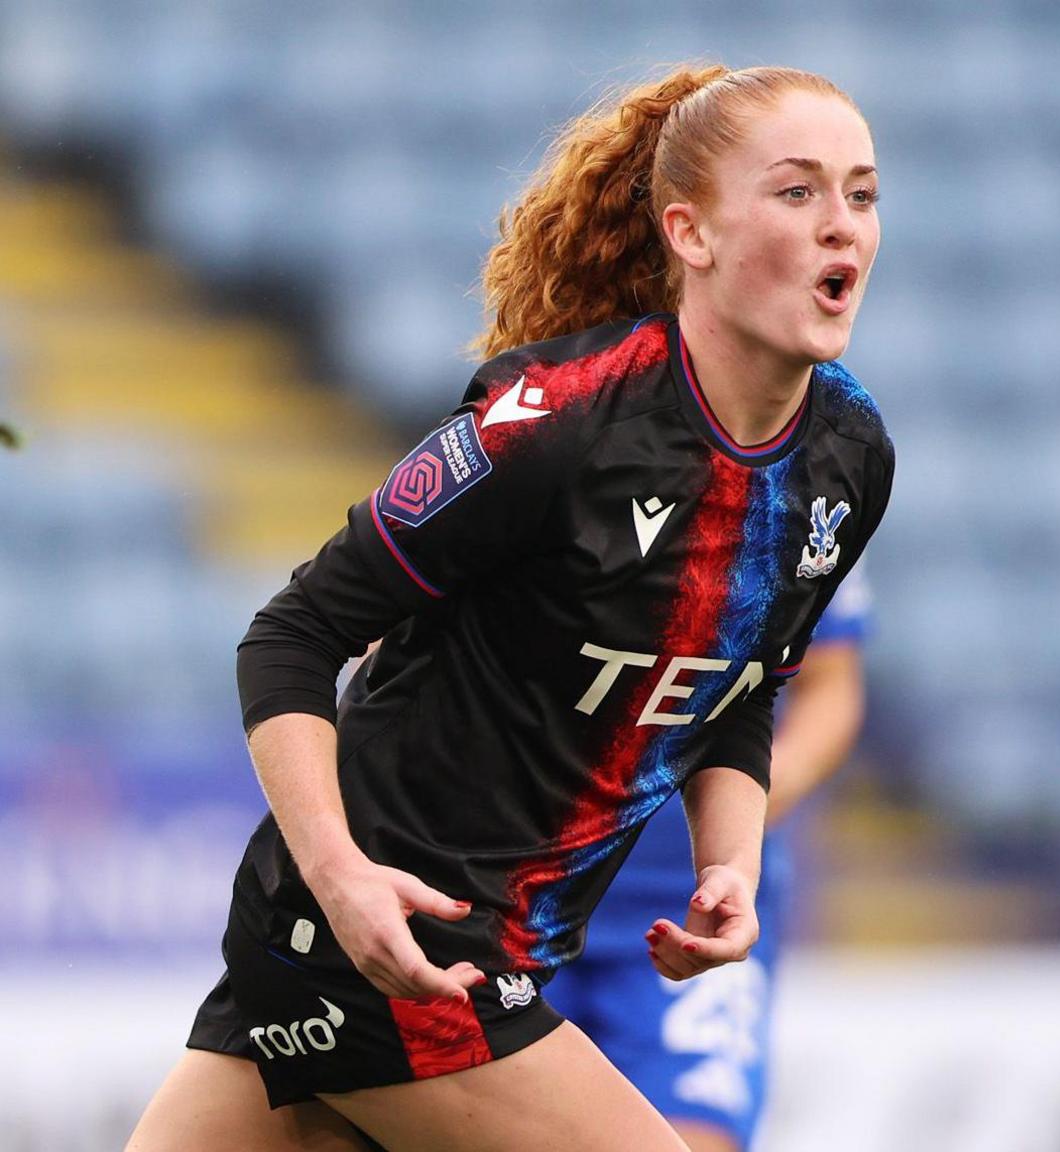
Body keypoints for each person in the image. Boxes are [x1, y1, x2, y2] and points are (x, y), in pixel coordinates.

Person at [127, 61, 891, 1152]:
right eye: (796, 192)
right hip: (386, 941)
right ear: (690, 234)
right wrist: (342, 880)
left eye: (860, 195)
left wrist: (731, 862)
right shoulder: (557, 422)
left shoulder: (849, 455)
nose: (840, 228)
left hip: (444, 949)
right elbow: (292, 636)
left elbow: (741, 687)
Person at [547, 564, 872, 1151]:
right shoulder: (536, 475)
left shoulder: (803, 486)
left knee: (693, 1139)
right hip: (515, 877)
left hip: (687, 896)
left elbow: (830, 679)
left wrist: (750, 807)